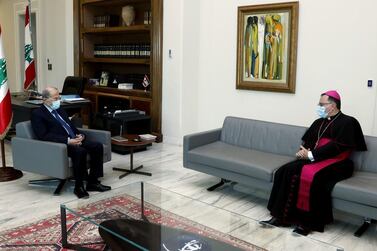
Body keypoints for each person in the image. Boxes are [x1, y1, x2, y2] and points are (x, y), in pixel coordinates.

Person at [260, 90, 367, 235]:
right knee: (283, 171)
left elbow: (338, 147)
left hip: (338, 163)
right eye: (319, 104)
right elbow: (308, 142)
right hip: (315, 158)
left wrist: (311, 154)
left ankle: (306, 224)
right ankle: (281, 217)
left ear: (333, 105)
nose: (319, 106)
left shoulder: (348, 122)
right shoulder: (318, 122)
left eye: (322, 104)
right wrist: (303, 151)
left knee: (312, 177)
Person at [31, 86, 111, 199]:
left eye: (59, 97)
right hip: (61, 144)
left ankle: (93, 182)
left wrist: (80, 135)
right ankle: (79, 187)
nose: (58, 101)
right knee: (80, 151)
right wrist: (68, 141)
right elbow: (43, 135)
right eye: (55, 98)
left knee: (97, 146)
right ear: (45, 99)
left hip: (74, 139)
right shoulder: (38, 114)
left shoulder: (60, 110)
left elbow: (70, 126)